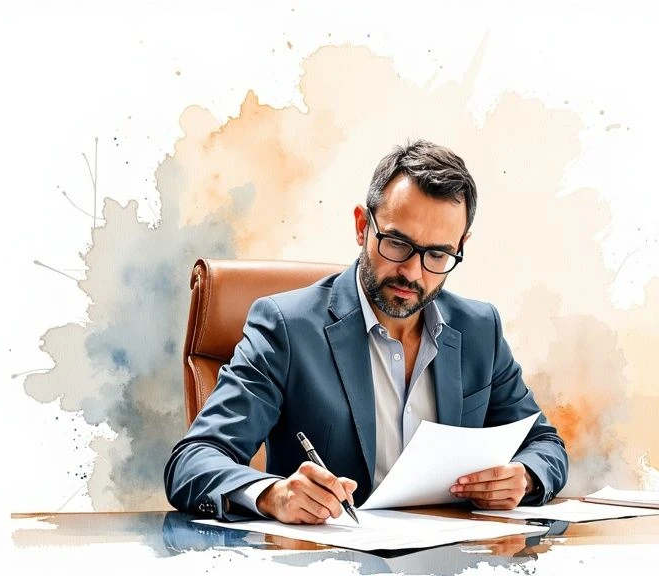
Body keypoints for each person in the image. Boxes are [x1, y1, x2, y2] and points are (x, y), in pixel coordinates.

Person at [164, 140, 568, 523]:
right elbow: (193, 460)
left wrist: (526, 476)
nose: (412, 272)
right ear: (362, 226)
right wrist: (273, 494)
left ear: (460, 247)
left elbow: (546, 446)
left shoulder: (480, 329)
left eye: (438, 254)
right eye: (396, 243)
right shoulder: (284, 328)